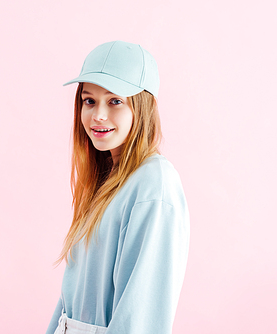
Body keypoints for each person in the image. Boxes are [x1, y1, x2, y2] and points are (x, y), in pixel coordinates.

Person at [46, 41, 190, 334]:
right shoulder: (106, 181)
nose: (98, 115)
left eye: (114, 101)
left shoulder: (154, 185)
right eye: (89, 101)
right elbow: (68, 305)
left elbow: (141, 316)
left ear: (142, 106)